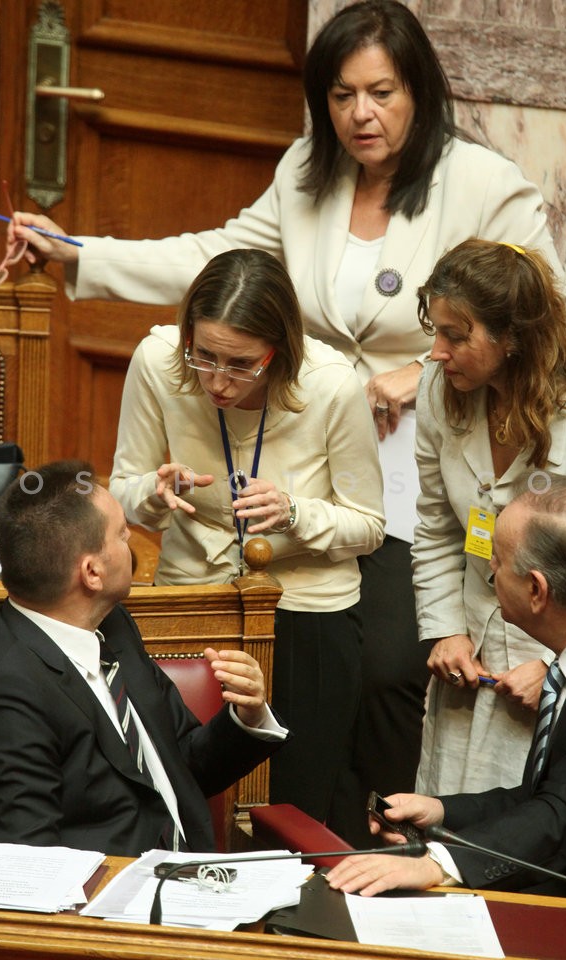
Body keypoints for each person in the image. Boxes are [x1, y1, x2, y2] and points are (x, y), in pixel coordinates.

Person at [8, 0, 566, 843]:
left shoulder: (481, 184)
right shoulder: (310, 169)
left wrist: (419, 371)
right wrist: (81, 251)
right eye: (340, 95)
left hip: (416, 461)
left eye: (381, 92)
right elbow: (216, 257)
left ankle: (376, 844)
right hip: (299, 436)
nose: (360, 115)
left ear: (418, 90)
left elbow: (538, 309)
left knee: (385, 670)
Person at [108, 248, 385, 834]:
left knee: (295, 809)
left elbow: (368, 525)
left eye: (240, 365)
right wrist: (155, 496)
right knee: (189, 785)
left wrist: (293, 512)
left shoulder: (332, 385)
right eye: (203, 356)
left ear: (278, 351)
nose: (216, 381)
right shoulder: (158, 361)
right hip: (195, 597)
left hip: (307, 608)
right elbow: (123, 488)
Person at [326, 478, 566, 904]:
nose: (488, 573)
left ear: (537, 590)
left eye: (498, 562)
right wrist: (444, 812)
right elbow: (548, 794)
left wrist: (437, 866)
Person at [412, 238, 566, 798]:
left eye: (456, 335)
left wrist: (557, 672)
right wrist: (447, 629)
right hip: (466, 664)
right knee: (441, 826)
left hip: (548, 673)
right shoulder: (439, 392)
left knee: (522, 836)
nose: (435, 353)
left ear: (514, 338)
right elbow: (435, 527)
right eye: (437, 330)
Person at [0, 460, 288, 857]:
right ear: (92, 572)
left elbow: (182, 765)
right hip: (109, 907)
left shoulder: (113, 626)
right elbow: (27, 866)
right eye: (123, 535)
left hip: (197, 880)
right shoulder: (5, 696)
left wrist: (246, 718)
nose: (133, 543)